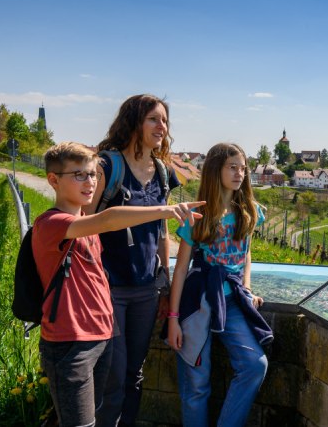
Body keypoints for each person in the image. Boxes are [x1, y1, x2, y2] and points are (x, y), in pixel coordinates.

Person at [34, 142, 203, 427]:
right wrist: (166, 210)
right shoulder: (52, 223)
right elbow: (111, 218)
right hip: (69, 343)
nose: (89, 182)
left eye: (92, 175)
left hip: (100, 337)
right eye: (79, 175)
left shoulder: (85, 222)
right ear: (53, 180)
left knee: (100, 414)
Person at [87, 94, 182, 427]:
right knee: (113, 374)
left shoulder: (161, 172)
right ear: (134, 121)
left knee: (134, 374)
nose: (162, 127)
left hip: (145, 289)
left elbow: (162, 232)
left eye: (165, 120)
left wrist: (165, 284)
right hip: (107, 288)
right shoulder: (106, 167)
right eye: (153, 119)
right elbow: (84, 225)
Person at [167, 143, 272, 427]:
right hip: (198, 303)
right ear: (216, 170)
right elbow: (180, 270)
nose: (240, 173)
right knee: (196, 384)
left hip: (232, 302)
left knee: (254, 365)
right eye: (232, 167)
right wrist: (173, 319)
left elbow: (246, 254)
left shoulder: (249, 210)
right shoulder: (197, 216)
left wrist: (247, 288)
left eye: (243, 168)